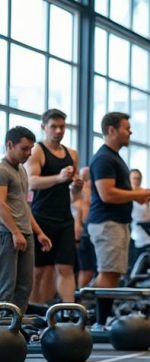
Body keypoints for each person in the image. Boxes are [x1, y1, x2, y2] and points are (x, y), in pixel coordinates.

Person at [88, 112, 150, 326]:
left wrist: (144, 194)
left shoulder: (114, 157)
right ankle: (99, 322)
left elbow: (118, 192)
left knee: (113, 273)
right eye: (126, 128)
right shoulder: (104, 158)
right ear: (111, 130)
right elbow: (107, 194)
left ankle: (100, 319)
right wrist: (140, 193)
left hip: (117, 223)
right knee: (108, 273)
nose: (130, 132)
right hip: (107, 223)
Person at [26, 109, 82, 303]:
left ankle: (69, 312)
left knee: (66, 268)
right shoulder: (37, 151)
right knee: (39, 271)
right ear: (44, 127)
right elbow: (31, 182)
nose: (58, 131)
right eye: (54, 127)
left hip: (64, 219)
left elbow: (74, 196)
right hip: (41, 218)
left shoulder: (72, 154)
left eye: (62, 127)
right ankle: (32, 313)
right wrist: (59, 178)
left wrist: (76, 187)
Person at [0, 126, 52, 313]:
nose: (29, 153)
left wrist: (39, 233)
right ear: (10, 145)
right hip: (8, 234)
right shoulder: (2, 170)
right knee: (6, 287)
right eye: (24, 148)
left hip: (25, 234)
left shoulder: (22, 170)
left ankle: (16, 327)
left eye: (31, 149)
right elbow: (0, 204)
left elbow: (23, 207)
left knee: (24, 287)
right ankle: (3, 327)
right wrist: (15, 232)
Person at [129, 169, 150, 268]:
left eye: (139, 178)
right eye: (134, 178)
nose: (137, 181)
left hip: (149, 231)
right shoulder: (127, 195)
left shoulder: (146, 193)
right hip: (135, 233)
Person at [75, 165, 96, 288]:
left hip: (87, 232)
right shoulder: (83, 192)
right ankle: (80, 295)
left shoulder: (90, 192)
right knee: (86, 269)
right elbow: (83, 215)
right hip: (84, 234)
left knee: (88, 269)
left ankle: (81, 293)